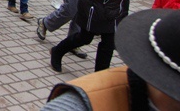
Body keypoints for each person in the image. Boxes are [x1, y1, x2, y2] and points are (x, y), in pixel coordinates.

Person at [43, 9, 180, 111]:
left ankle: (100, 76)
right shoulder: (74, 107)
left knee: (108, 44)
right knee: (84, 37)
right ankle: (58, 50)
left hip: (115, 9)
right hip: (97, 5)